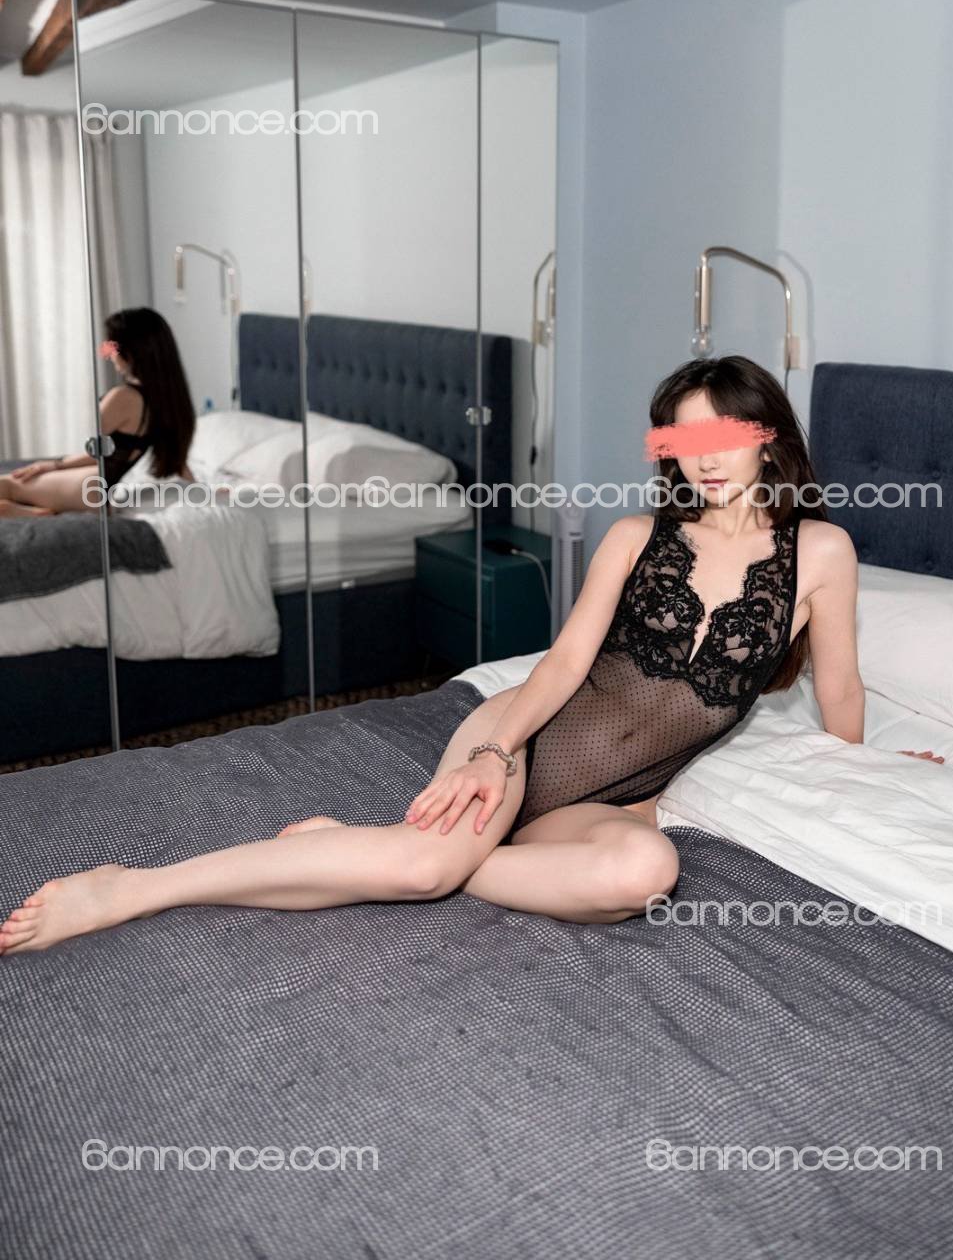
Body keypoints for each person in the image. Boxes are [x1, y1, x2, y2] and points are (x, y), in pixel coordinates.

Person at [0, 355, 864, 954]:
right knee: (422, 867)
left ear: (767, 435)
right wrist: (497, 751)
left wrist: (872, 767)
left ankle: (373, 847)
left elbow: (842, 692)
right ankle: (132, 886)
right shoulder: (638, 535)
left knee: (647, 871)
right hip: (528, 740)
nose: (703, 460)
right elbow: (564, 663)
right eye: (682, 441)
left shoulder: (823, 555)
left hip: (615, 803)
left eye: (721, 436)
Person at [0, 307, 195, 517]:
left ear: (132, 350)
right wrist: (201, 491)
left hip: (95, 485)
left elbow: (93, 448)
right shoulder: (169, 402)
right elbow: (178, 462)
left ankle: (36, 513)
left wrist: (55, 465)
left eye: (111, 345)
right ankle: (34, 513)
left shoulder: (124, 397)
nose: (107, 353)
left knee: (9, 485)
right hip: (107, 483)